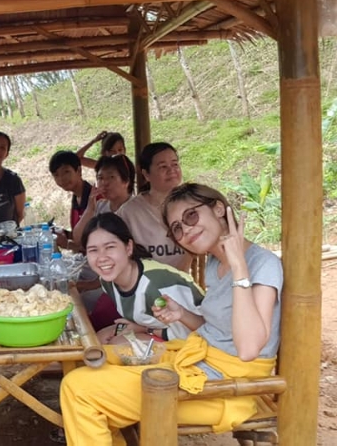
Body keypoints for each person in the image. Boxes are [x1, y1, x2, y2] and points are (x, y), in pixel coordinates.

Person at [60, 183, 283, 445]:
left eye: (191, 216)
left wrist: (239, 269)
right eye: (177, 227)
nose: (186, 230)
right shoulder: (216, 263)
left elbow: (248, 349)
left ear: (218, 209)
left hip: (226, 388)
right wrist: (182, 314)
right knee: (95, 358)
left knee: (79, 390)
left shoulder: (262, 264)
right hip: (199, 361)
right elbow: (220, 331)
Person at [80, 213, 204, 345]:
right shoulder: (107, 281)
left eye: (110, 247)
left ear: (129, 247)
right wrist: (141, 327)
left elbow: (190, 333)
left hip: (196, 340)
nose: (102, 258)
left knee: (117, 345)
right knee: (97, 340)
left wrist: (146, 329)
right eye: (93, 250)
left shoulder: (155, 285)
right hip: (157, 330)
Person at [118, 142, 191, 271]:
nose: (171, 170)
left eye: (175, 164)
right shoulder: (129, 212)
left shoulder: (192, 205)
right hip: (144, 282)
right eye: (163, 166)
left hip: (182, 281)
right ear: (146, 174)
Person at [71, 154, 136, 246]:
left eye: (111, 177)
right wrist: (90, 209)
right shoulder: (100, 206)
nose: (104, 183)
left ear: (126, 181)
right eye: (100, 178)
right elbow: (78, 238)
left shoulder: (136, 208)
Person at [49, 150, 93, 250]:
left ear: (79, 171)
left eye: (66, 172)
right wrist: (64, 234)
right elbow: (79, 235)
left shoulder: (95, 199)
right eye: (56, 175)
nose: (61, 179)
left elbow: (97, 244)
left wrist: (68, 245)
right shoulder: (76, 197)